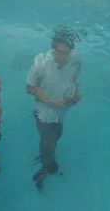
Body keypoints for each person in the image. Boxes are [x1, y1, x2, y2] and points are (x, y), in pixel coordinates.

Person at [26, 30, 81, 191]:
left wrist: (75, 94)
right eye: (60, 52)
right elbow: (30, 88)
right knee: (49, 143)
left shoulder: (75, 60)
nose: (63, 57)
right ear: (53, 49)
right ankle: (46, 168)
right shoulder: (40, 65)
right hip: (43, 111)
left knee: (55, 138)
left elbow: (74, 80)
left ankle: (44, 157)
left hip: (61, 110)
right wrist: (48, 100)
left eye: (66, 53)